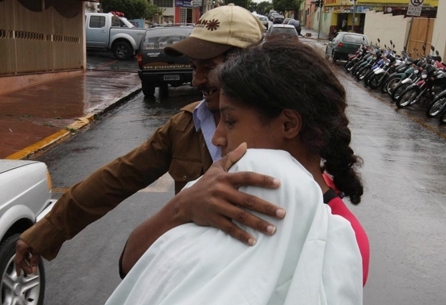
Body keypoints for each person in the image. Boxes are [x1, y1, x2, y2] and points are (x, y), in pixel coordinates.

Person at [15, 4, 283, 276]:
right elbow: (118, 177)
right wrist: (45, 232)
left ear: (248, 64)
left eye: (209, 67)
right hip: (196, 277)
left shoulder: (285, 127)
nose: (197, 79)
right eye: (193, 66)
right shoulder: (185, 126)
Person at [105, 36, 365, 305]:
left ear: (288, 125)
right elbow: (131, 266)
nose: (217, 137)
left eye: (229, 121)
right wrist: (181, 207)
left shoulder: (337, 236)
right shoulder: (216, 190)